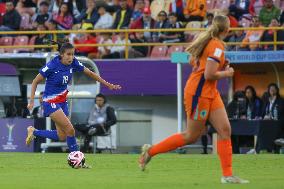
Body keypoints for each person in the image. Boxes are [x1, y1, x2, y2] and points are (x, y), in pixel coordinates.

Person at [138, 15, 249, 184]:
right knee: (191, 136)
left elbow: (193, 61)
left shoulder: (208, 42)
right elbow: (209, 74)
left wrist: (219, 64)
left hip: (210, 92)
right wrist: (226, 73)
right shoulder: (216, 45)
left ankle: (227, 176)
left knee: (225, 130)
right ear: (227, 30)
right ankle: (150, 151)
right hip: (199, 94)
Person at [25, 42, 121, 167]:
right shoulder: (52, 65)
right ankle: (79, 162)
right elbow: (35, 81)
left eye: (72, 54)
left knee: (62, 135)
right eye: (68, 54)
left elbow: (91, 73)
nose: (71, 57)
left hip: (62, 102)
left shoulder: (74, 62)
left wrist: (107, 84)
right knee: (70, 130)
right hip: (50, 102)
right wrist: (32, 101)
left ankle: (34, 132)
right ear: (62, 55)